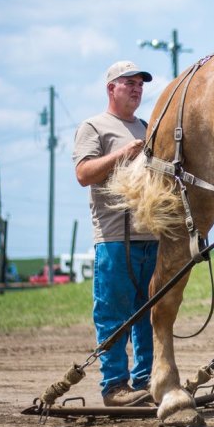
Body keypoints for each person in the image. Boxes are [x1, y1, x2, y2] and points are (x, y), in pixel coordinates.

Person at [72, 60, 158, 407]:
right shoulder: (94, 127)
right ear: (112, 88)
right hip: (113, 237)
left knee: (150, 314)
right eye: (130, 83)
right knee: (114, 313)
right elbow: (83, 174)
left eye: (140, 84)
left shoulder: (147, 127)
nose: (137, 89)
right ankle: (115, 387)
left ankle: (148, 380)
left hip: (150, 235)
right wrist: (122, 154)